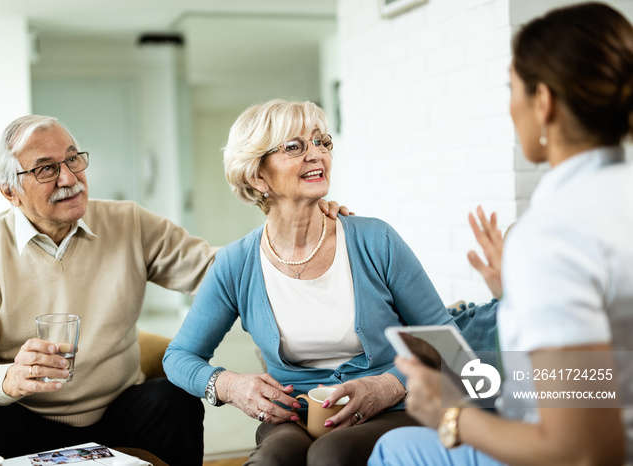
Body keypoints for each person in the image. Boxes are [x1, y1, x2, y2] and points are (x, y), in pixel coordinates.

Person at [0, 115, 346, 464]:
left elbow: (217, 269)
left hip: (117, 408)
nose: (69, 178)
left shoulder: (127, 223)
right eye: (45, 169)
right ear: (9, 190)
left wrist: (304, 229)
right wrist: (11, 379)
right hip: (23, 415)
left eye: (73, 159)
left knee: (175, 399)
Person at [369, 3, 633, 465]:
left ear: (543, 101)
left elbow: (584, 449)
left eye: (512, 89)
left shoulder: (553, 234)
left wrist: (450, 415)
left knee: (396, 448)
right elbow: (608, 360)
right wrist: (519, 296)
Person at [162, 99, 489, 466]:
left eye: (321, 142)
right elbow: (178, 357)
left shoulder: (374, 240)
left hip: (392, 407)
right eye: (294, 147)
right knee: (273, 461)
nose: (316, 155)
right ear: (258, 176)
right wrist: (230, 385)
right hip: (295, 413)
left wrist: (387, 385)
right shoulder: (236, 263)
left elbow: (447, 342)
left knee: (332, 455)